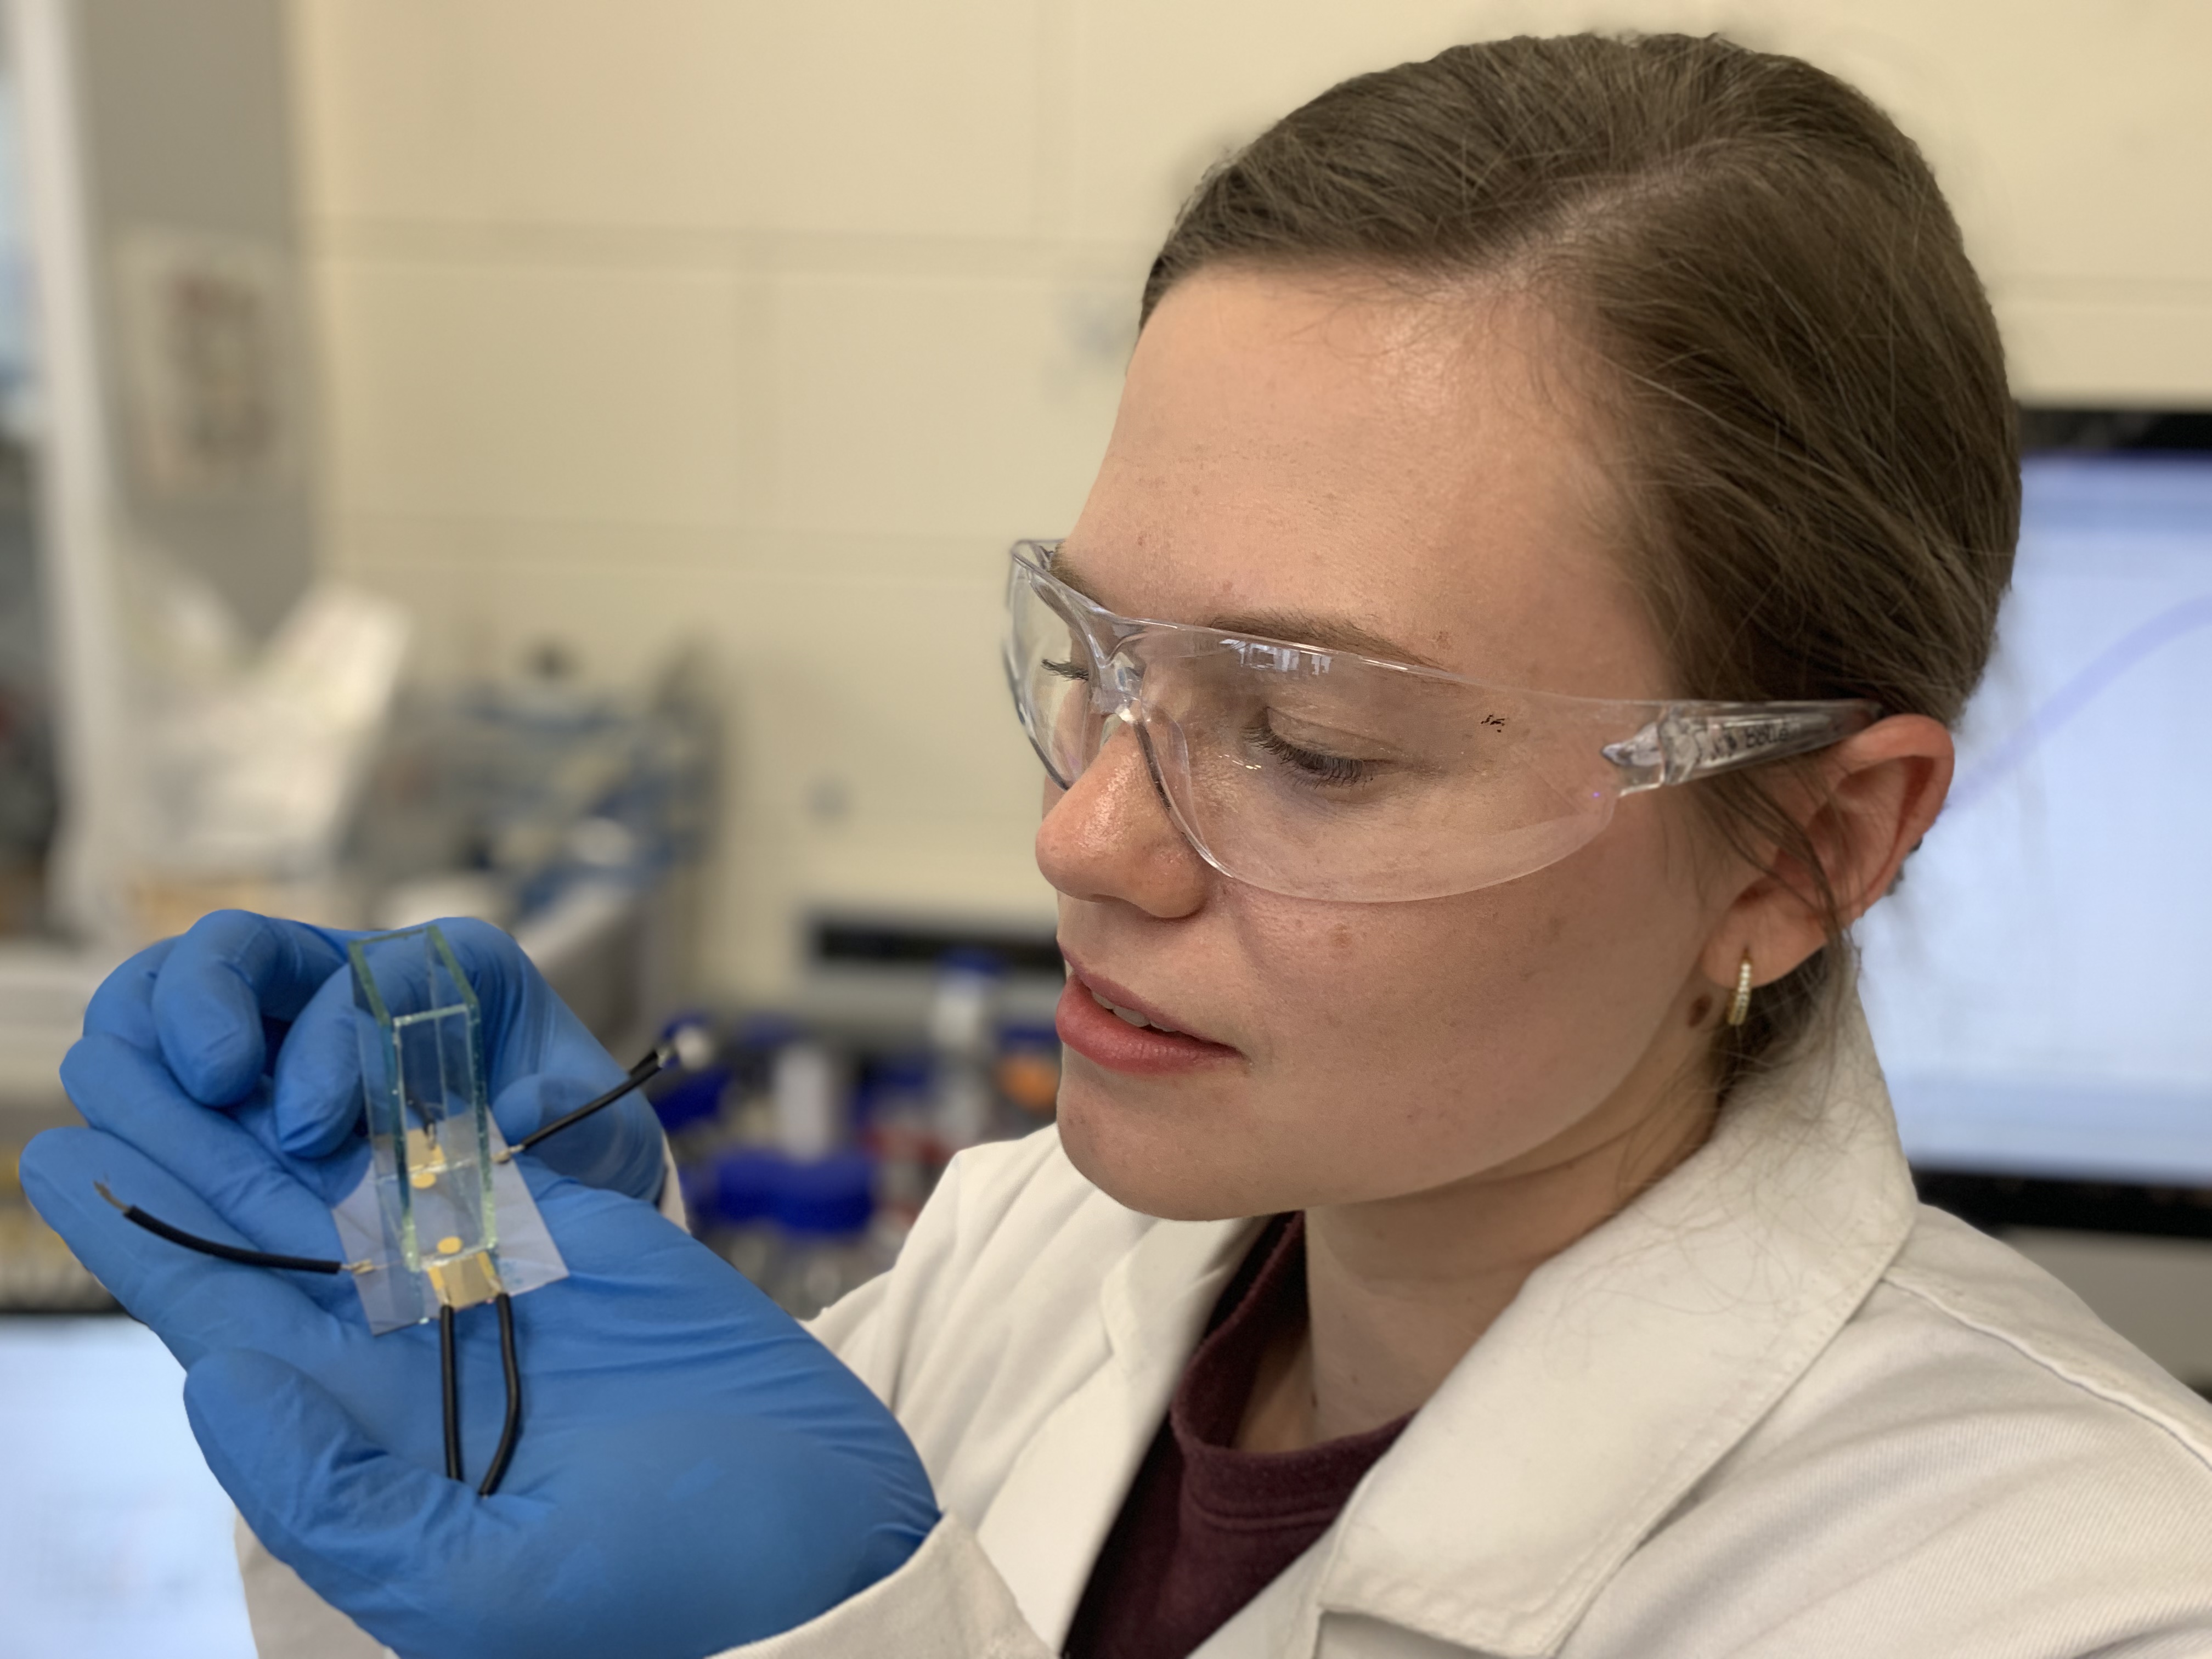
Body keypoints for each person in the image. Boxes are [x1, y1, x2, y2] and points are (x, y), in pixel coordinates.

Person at [25, 31, 2212, 1659]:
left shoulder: (2070, 1593)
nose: (1088, 838)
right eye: (1095, 656)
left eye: (1322, 741)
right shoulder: (1024, 1265)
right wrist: (467, 1359)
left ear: (1807, 849)